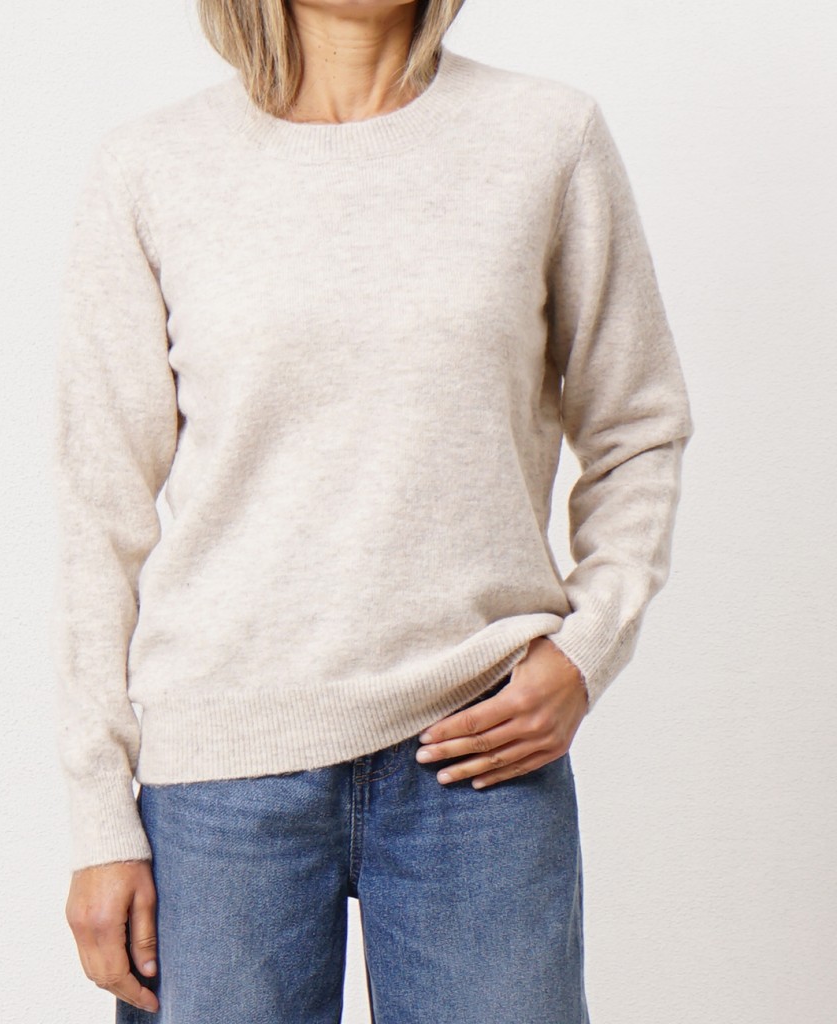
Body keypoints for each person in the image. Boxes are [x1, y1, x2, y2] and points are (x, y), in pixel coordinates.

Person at [50, 1, 694, 1021]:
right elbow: (99, 508)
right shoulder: (152, 168)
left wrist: (587, 649)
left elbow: (638, 425)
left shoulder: (546, 137)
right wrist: (99, 817)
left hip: (480, 753)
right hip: (220, 775)